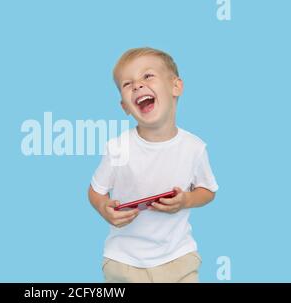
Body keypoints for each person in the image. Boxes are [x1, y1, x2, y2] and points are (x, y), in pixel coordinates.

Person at [88, 47, 219, 283]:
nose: (137, 85)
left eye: (147, 76)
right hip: (123, 261)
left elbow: (208, 191)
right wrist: (102, 207)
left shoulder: (194, 147)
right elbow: (95, 191)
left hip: (179, 259)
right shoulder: (117, 148)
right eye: (128, 84)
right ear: (125, 107)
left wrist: (186, 200)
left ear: (175, 87)